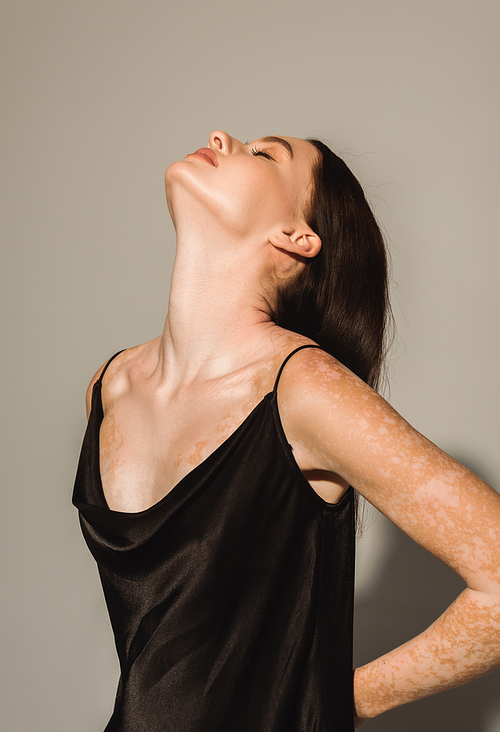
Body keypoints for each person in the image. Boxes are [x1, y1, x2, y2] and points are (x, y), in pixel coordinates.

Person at [73, 130, 500, 731]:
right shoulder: (110, 386)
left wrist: (343, 699)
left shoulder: (305, 390)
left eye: (265, 152)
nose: (222, 135)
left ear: (297, 238)